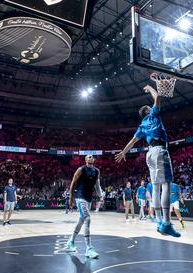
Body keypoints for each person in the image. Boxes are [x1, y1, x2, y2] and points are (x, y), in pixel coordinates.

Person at [116, 83, 180, 238]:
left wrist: (124, 152)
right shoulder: (153, 115)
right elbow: (157, 97)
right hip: (160, 150)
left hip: (149, 154)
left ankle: (159, 222)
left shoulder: (142, 125)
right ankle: (166, 223)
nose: (153, 108)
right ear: (148, 111)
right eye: (150, 108)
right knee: (166, 185)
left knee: (156, 187)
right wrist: (150, 88)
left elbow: (132, 141)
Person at [65, 155, 102, 259]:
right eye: (88, 157)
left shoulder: (96, 171)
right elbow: (73, 183)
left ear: (94, 160)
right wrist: (71, 197)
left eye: (92, 157)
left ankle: (71, 242)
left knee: (81, 220)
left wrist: (101, 196)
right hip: (80, 197)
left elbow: (97, 185)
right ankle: (89, 248)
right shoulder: (81, 170)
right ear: (86, 160)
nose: (91, 157)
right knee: (87, 218)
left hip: (89, 198)